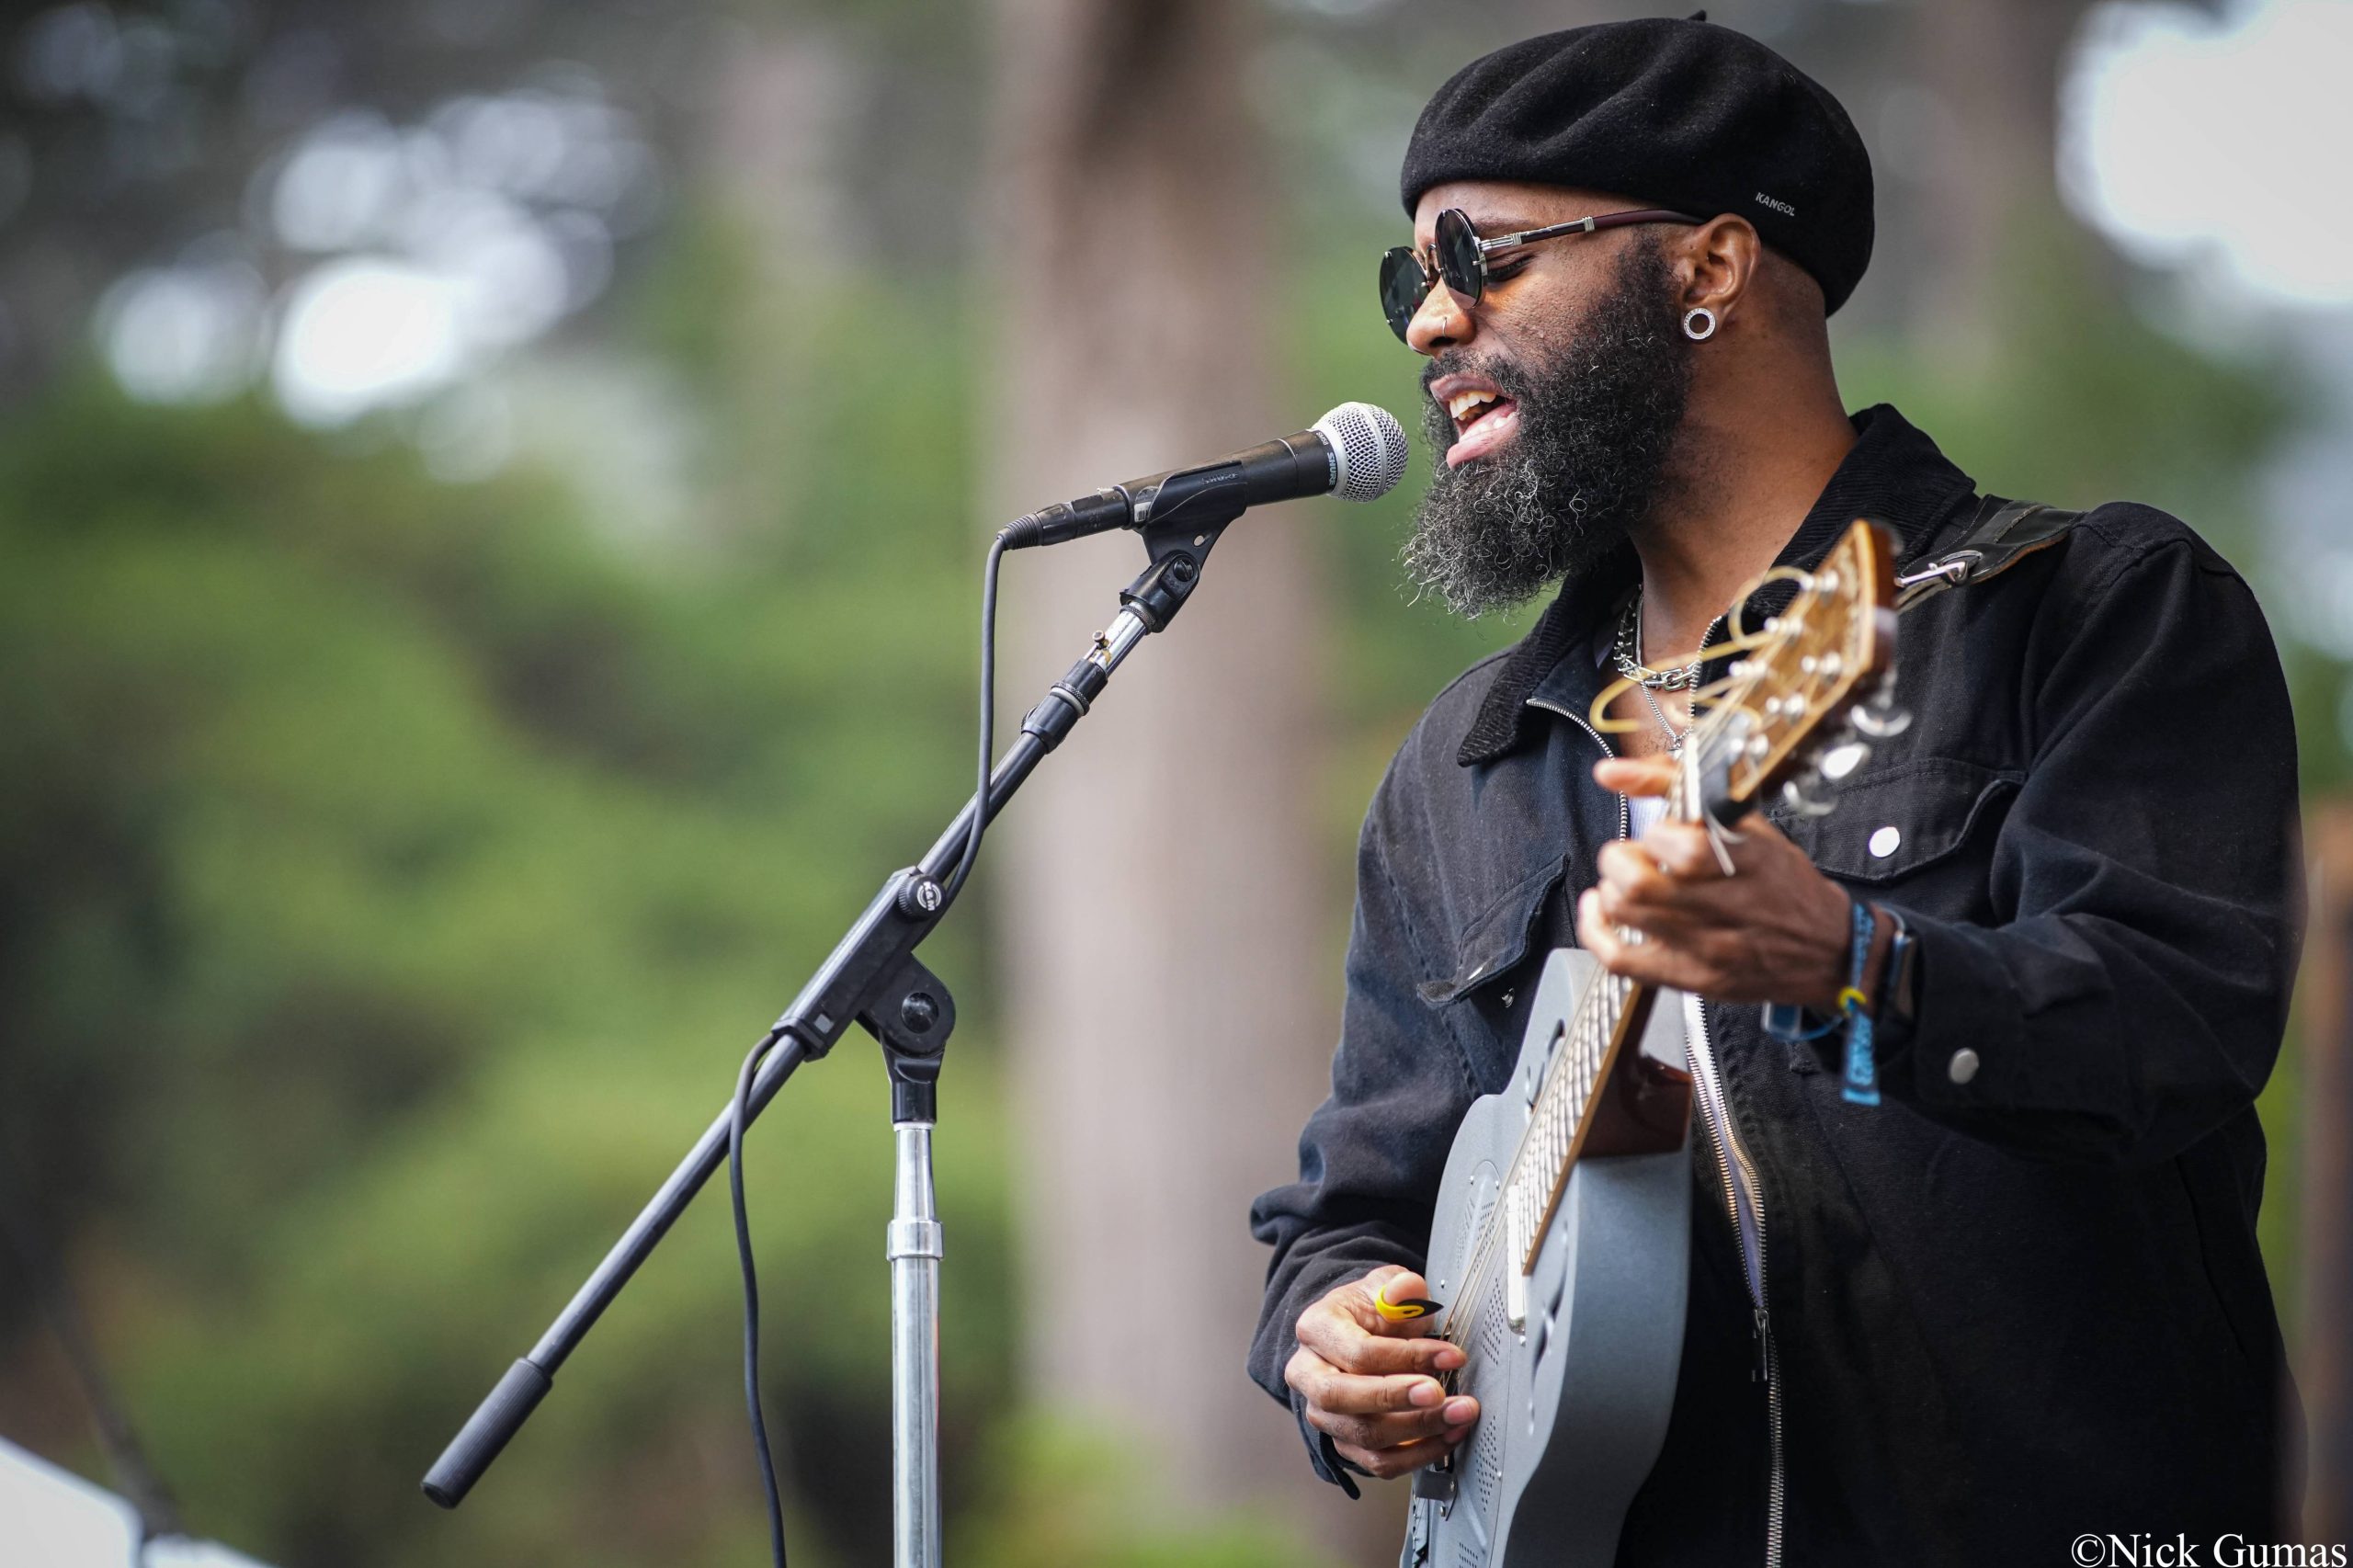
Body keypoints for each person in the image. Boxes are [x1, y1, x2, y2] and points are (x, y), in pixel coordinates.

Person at [1246, 15, 2303, 1564]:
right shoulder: (1470, 758)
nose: (1427, 325)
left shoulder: (2081, 609)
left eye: (1480, 257)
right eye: (1412, 277)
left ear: (1712, 270)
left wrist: (1854, 960)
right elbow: (1358, 1202)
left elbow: (2175, 1029)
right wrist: (1333, 1337)